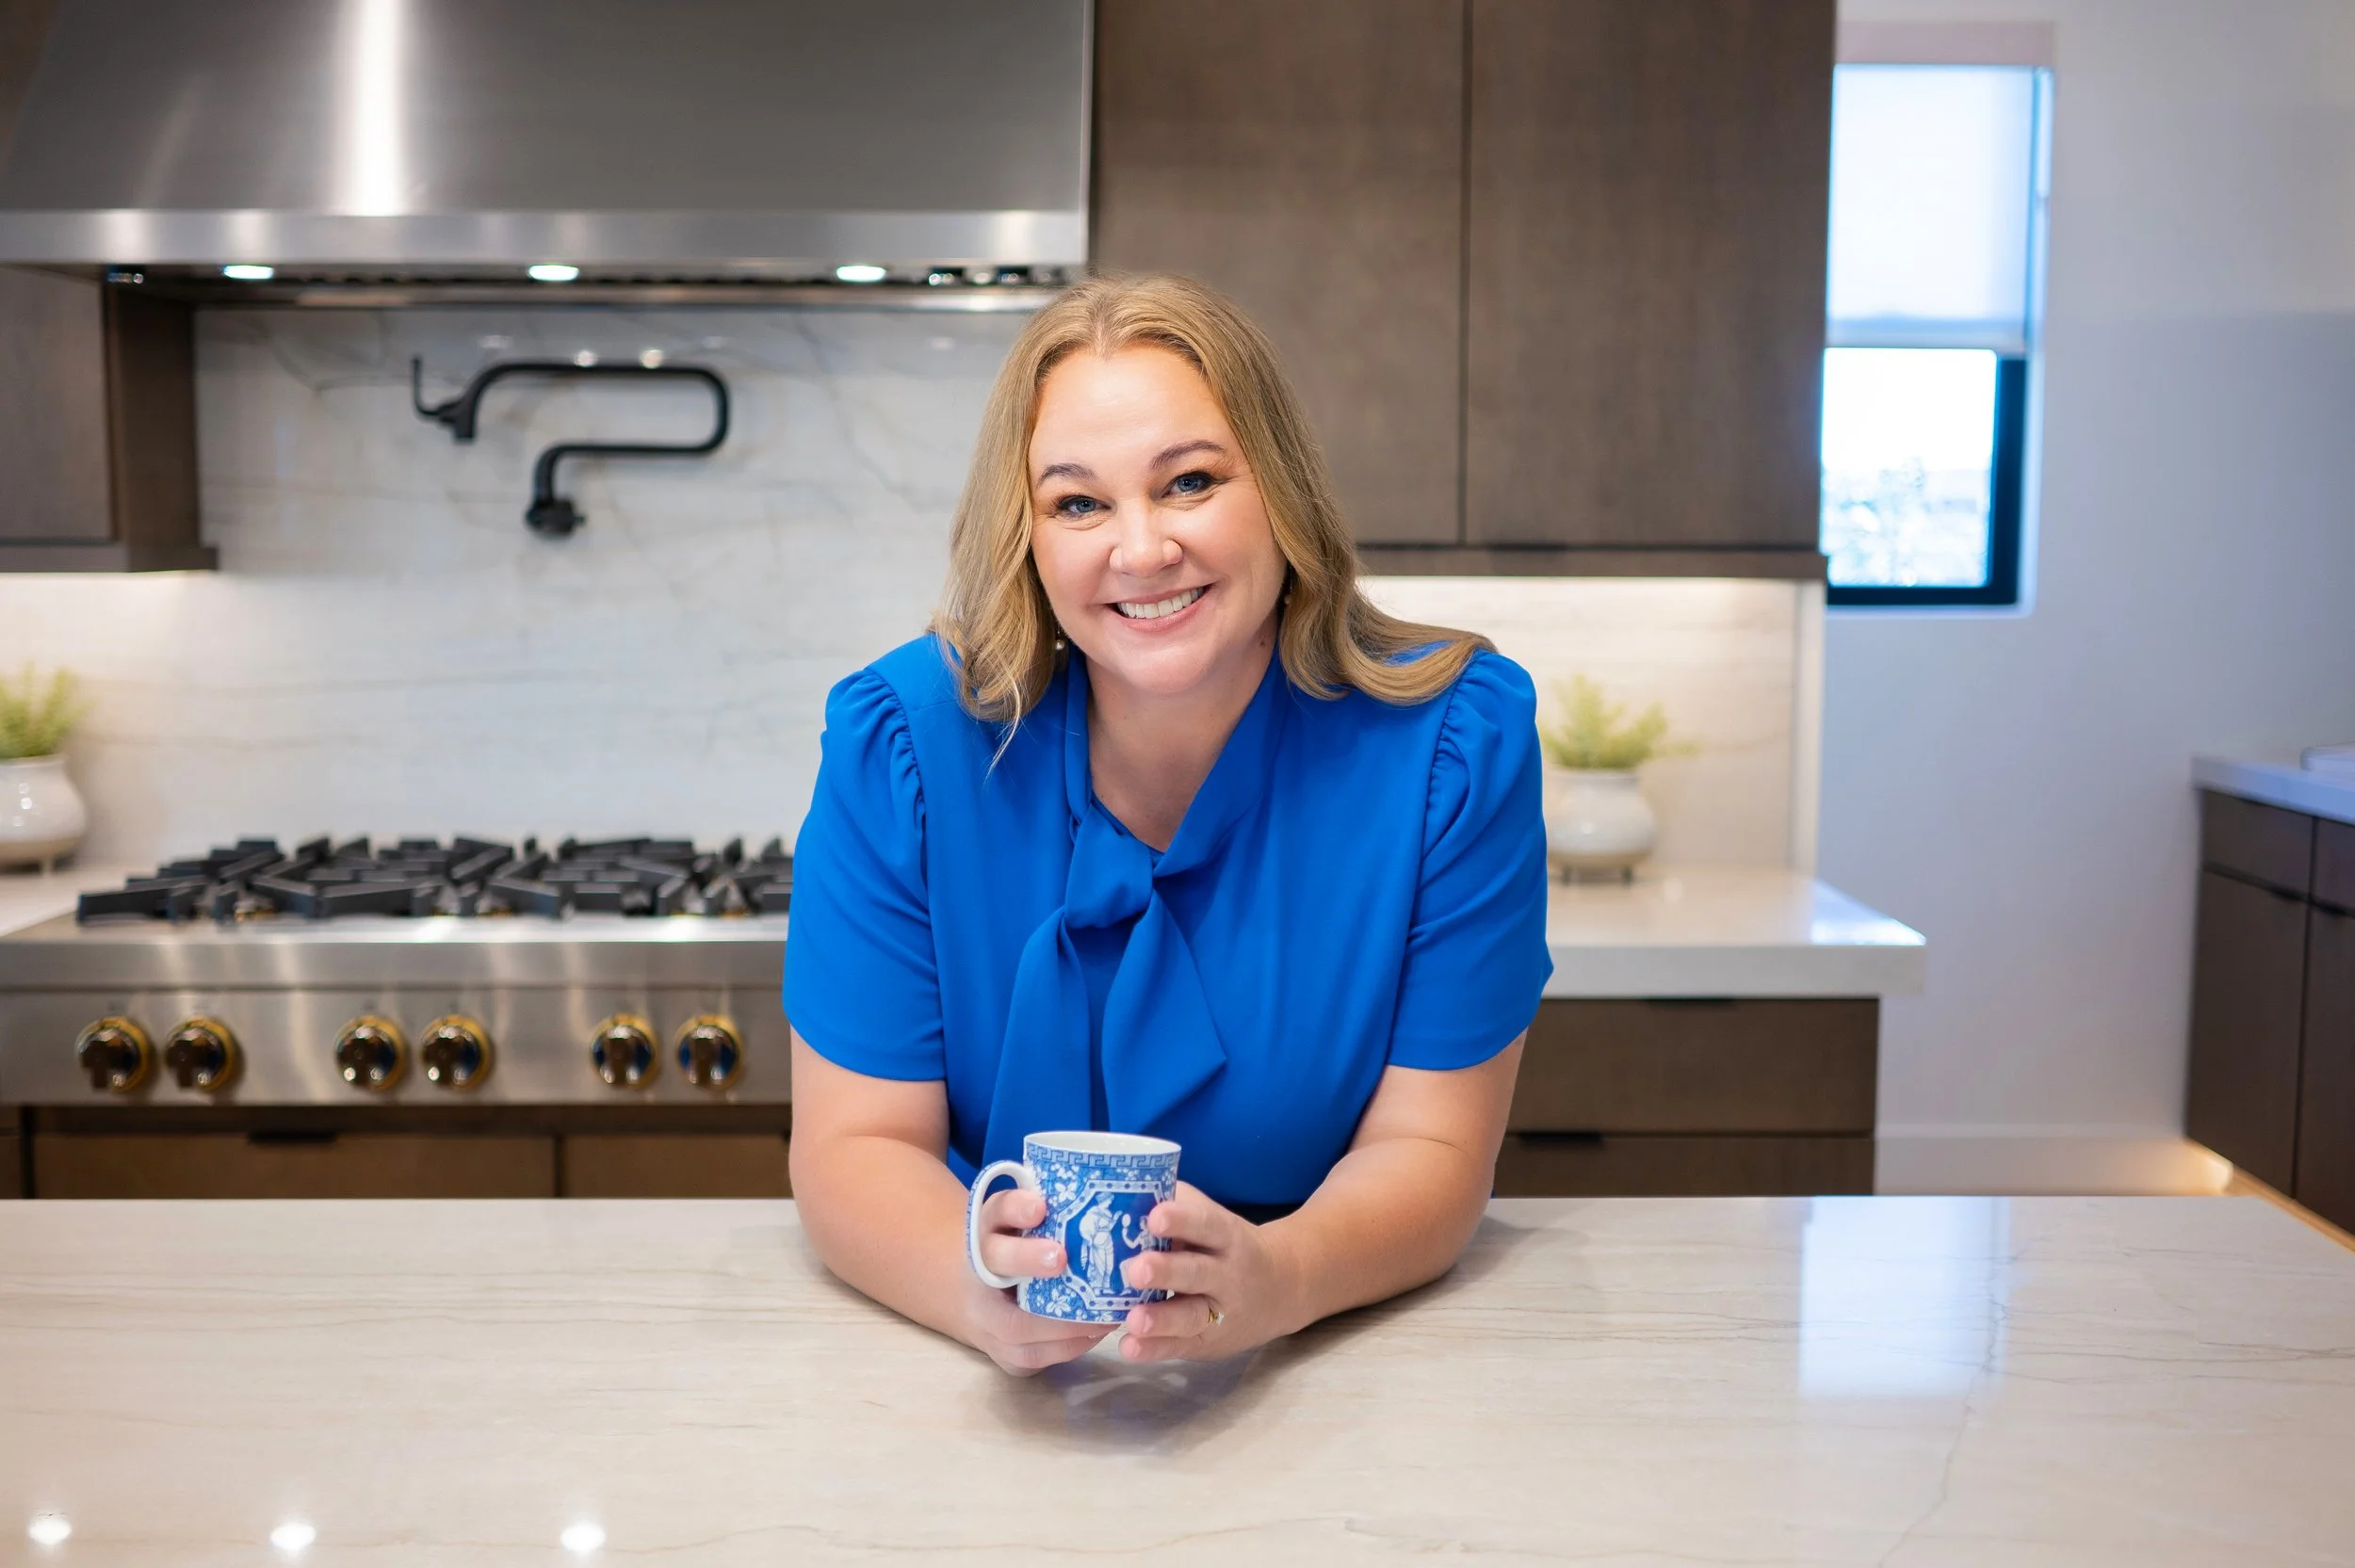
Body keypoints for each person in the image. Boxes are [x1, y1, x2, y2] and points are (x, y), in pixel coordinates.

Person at [784, 274, 1551, 1374]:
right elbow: (856, 1145)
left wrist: (1283, 1278)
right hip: (963, 1391)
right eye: (1077, 503)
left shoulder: (1450, 744)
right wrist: (970, 1289)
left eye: (1189, 482)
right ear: (1027, 536)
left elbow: (1430, 1146)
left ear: (1280, 489)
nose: (1140, 550)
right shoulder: (903, 745)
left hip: (1338, 1361)